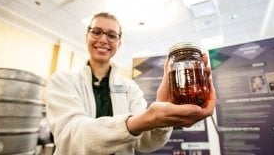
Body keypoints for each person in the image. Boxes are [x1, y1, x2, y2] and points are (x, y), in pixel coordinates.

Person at [46, 12, 216, 155]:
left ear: (119, 42)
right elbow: (71, 137)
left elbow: (146, 142)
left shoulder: (130, 87)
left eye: (112, 35)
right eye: (96, 32)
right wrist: (145, 118)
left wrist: (162, 119)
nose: (104, 40)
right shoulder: (62, 80)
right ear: (87, 36)